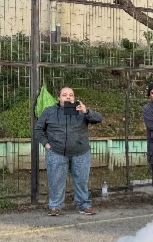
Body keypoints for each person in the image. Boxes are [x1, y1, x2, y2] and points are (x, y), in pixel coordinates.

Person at [34, 86, 103, 216]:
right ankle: (54, 206)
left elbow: (99, 119)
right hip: (56, 152)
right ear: (59, 98)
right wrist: (46, 144)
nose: (68, 97)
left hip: (80, 153)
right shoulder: (49, 111)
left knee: (82, 181)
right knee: (56, 180)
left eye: (71, 95)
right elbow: (38, 129)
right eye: (64, 95)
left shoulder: (81, 111)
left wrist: (86, 111)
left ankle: (84, 205)